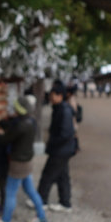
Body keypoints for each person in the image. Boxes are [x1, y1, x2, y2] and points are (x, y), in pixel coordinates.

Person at [0, 95, 48, 222]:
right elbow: (13, 126)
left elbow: (5, 139)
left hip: (17, 163)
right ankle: (42, 217)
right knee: (31, 191)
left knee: (10, 192)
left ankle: (5, 220)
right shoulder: (31, 121)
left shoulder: (20, 126)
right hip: (27, 162)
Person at [36, 82, 76, 213]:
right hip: (63, 149)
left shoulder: (64, 110)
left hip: (60, 150)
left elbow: (65, 134)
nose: (51, 98)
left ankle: (41, 201)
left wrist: (52, 144)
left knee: (48, 174)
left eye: (53, 95)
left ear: (60, 96)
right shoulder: (59, 108)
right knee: (62, 176)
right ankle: (65, 203)